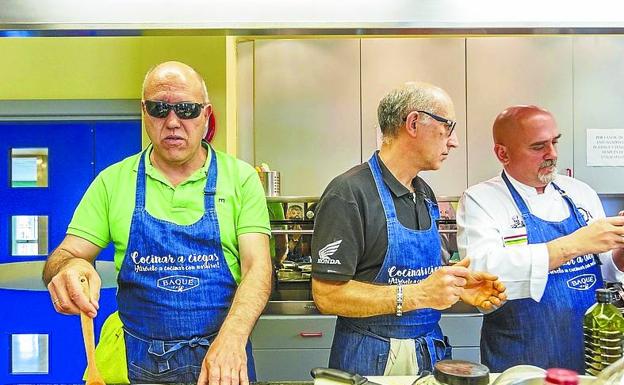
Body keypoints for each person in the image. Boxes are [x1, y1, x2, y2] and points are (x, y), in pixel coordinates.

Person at [42, 61, 272, 385]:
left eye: (187, 110)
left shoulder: (241, 178)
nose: (173, 122)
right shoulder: (113, 182)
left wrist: (233, 337)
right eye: (159, 108)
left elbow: (257, 267)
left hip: (222, 361)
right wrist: (68, 268)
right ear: (144, 113)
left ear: (206, 116)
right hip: (138, 364)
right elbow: (65, 255)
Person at [311, 82, 507, 376]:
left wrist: (456, 287)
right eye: (448, 127)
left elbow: (421, 280)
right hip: (369, 359)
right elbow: (327, 296)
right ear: (414, 123)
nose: (454, 142)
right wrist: (419, 295)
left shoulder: (424, 193)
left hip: (428, 351)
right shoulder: (349, 193)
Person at [457, 105, 624, 372]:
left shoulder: (580, 192)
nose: (553, 154)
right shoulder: (481, 199)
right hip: (521, 359)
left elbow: (606, 270)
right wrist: (576, 243)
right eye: (538, 147)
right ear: (503, 153)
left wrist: (620, 250)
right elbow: (482, 272)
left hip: (589, 358)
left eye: (555, 142)